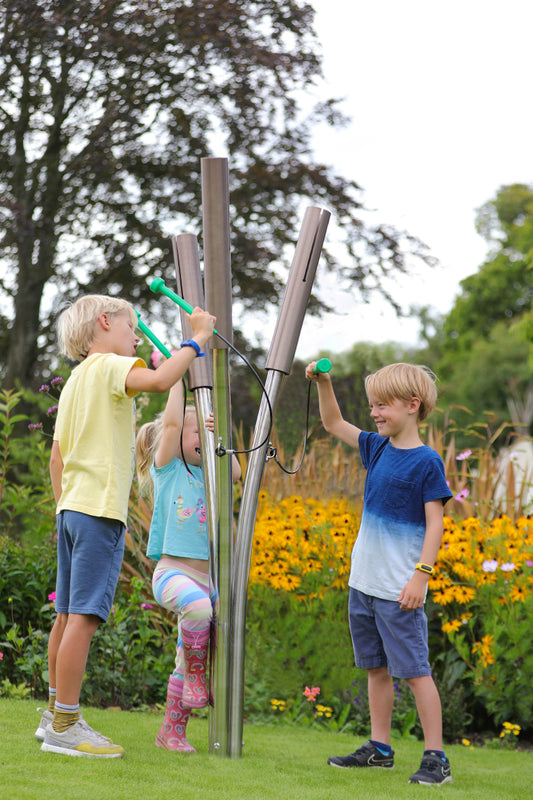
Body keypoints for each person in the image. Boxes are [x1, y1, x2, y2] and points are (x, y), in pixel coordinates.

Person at [36, 294, 215, 758]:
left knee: (65, 616)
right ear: (104, 322)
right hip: (97, 512)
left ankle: (53, 712)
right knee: (85, 617)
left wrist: (65, 507)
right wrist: (196, 340)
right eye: (131, 326)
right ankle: (66, 726)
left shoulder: (75, 381)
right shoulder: (112, 366)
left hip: (73, 509)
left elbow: (57, 458)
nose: (135, 336)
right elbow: (158, 379)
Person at [305, 361, 453, 786]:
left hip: (399, 589)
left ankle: (436, 758)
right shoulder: (378, 448)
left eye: (382, 405)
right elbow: (333, 422)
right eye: (371, 405)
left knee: (415, 671)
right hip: (364, 584)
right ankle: (380, 749)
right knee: (376, 670)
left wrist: (421, 577)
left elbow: (436, 524)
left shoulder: (426, 463)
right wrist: (326, 382)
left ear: (412, 405)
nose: (374, 413)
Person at [135, 379, 241, 753]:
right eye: (194, 429)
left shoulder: (211, 475)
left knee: (189, 651)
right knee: (198, 608)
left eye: (205, 428)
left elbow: (238, 473)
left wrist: (218, 438)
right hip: (173, 574)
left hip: (206, 579)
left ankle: (172, 732)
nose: (201, 434)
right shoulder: (168, 471)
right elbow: (171, 425)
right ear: (177, 436)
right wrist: (179, 375)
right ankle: (198, 676)